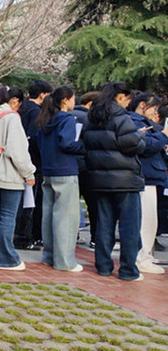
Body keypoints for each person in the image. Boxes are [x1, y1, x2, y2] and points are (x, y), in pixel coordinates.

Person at [83, 82, 145, 281]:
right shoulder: (121, 118)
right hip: (125, 179)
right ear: (120, 97)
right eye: (128, 99)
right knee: (129, 227)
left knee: (104, 224)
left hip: (99, 179)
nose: (129, 104)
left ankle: (103, 266)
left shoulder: (91, 117)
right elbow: (132, 145)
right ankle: (128, 270)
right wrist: (140, 137)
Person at [0, 86, 35, 271]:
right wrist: (29, 172)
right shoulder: (11, 117)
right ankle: (6, 258)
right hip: (9, 174)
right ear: (14, 101)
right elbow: (17, 150)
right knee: (7, 216)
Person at [35, 86, 85, 272]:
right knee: (66, 218)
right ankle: (65, 261)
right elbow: (67, 143)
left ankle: (49, 256)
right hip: (65, 170)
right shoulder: (68, 120)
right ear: (65, 100)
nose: (75, 102)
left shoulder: (45, 120)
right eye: (73, 98)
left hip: (48, 170)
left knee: (48, 215)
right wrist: (82, 145)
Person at [127, 92, 168, 275]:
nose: (156, 113)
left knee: (150, 220)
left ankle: (145, 256)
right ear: (143, 105)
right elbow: (146, 146)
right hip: (145, 176)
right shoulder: (136, 123)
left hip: (150, 176)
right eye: (155, 108)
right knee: (145, 220)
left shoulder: (141, 123)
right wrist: (164, 135)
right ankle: (141, 258)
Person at [14, 80, 53, 250]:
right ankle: (24, 237)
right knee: (30, 203)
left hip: (20, 160)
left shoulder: (21, 108)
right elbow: (35, 138)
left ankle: (23, 235)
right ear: (43, 94)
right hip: (33, 163)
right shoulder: (36, 111)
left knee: (23, 202)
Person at [71, 91, 98, 246]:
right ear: (90, 104)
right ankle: (95, 238)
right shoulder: (89, 118)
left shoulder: (67, 115)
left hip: (69, 165)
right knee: (93, 204)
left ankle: (72, 235)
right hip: (87, 166)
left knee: (72, 203)